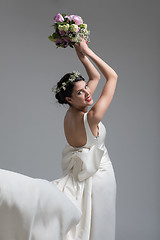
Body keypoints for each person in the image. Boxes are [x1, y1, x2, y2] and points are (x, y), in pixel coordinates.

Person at [0, 39, 118, 240]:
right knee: (99, 224)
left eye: (86, 88)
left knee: (87, 223)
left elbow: (95, 77)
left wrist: (81, 56)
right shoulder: (92, 117)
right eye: (81, 92)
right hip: (99, 176)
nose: (88, 93)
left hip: (81, 175)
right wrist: (89, 51)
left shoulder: (71, 113)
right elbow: (112, 77)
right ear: (69, 99)